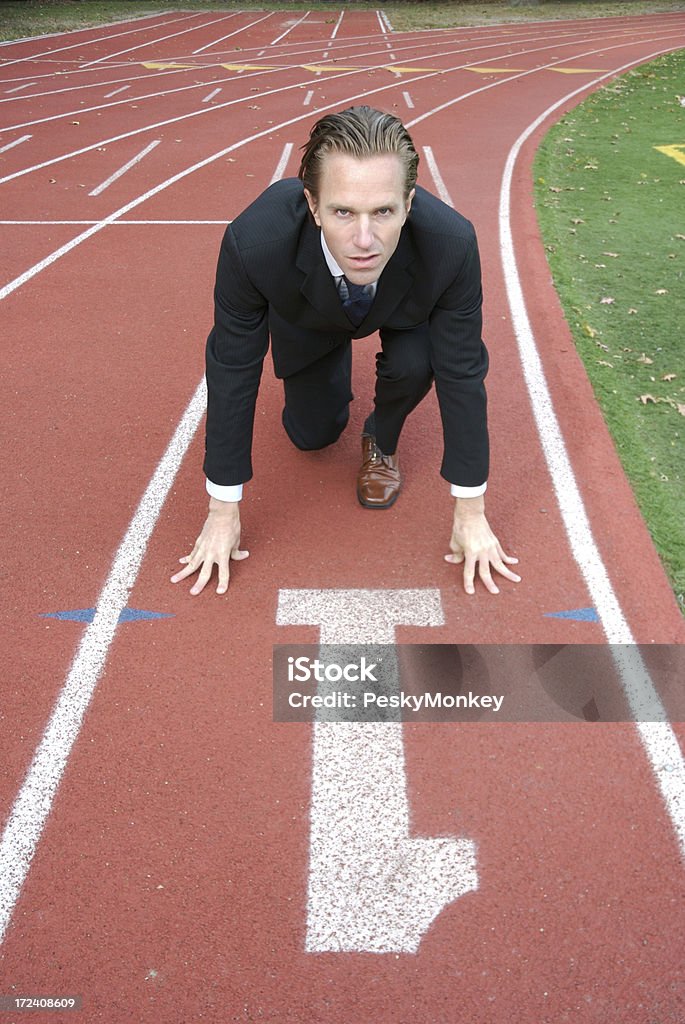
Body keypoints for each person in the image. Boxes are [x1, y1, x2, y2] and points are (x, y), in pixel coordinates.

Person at [171, 105, 520, 597]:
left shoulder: (451, 244)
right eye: (342, 212)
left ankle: (382, 436)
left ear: (409, 203)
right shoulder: (254, 245)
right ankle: (326, 376)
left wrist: (471, 510)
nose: (363, 240)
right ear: (313, 205)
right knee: (313, 435)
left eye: (383, 211)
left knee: (417, 363)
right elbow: (232, 367)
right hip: (307, 312)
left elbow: (463, 370)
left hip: (401, 309)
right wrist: (221, 511)